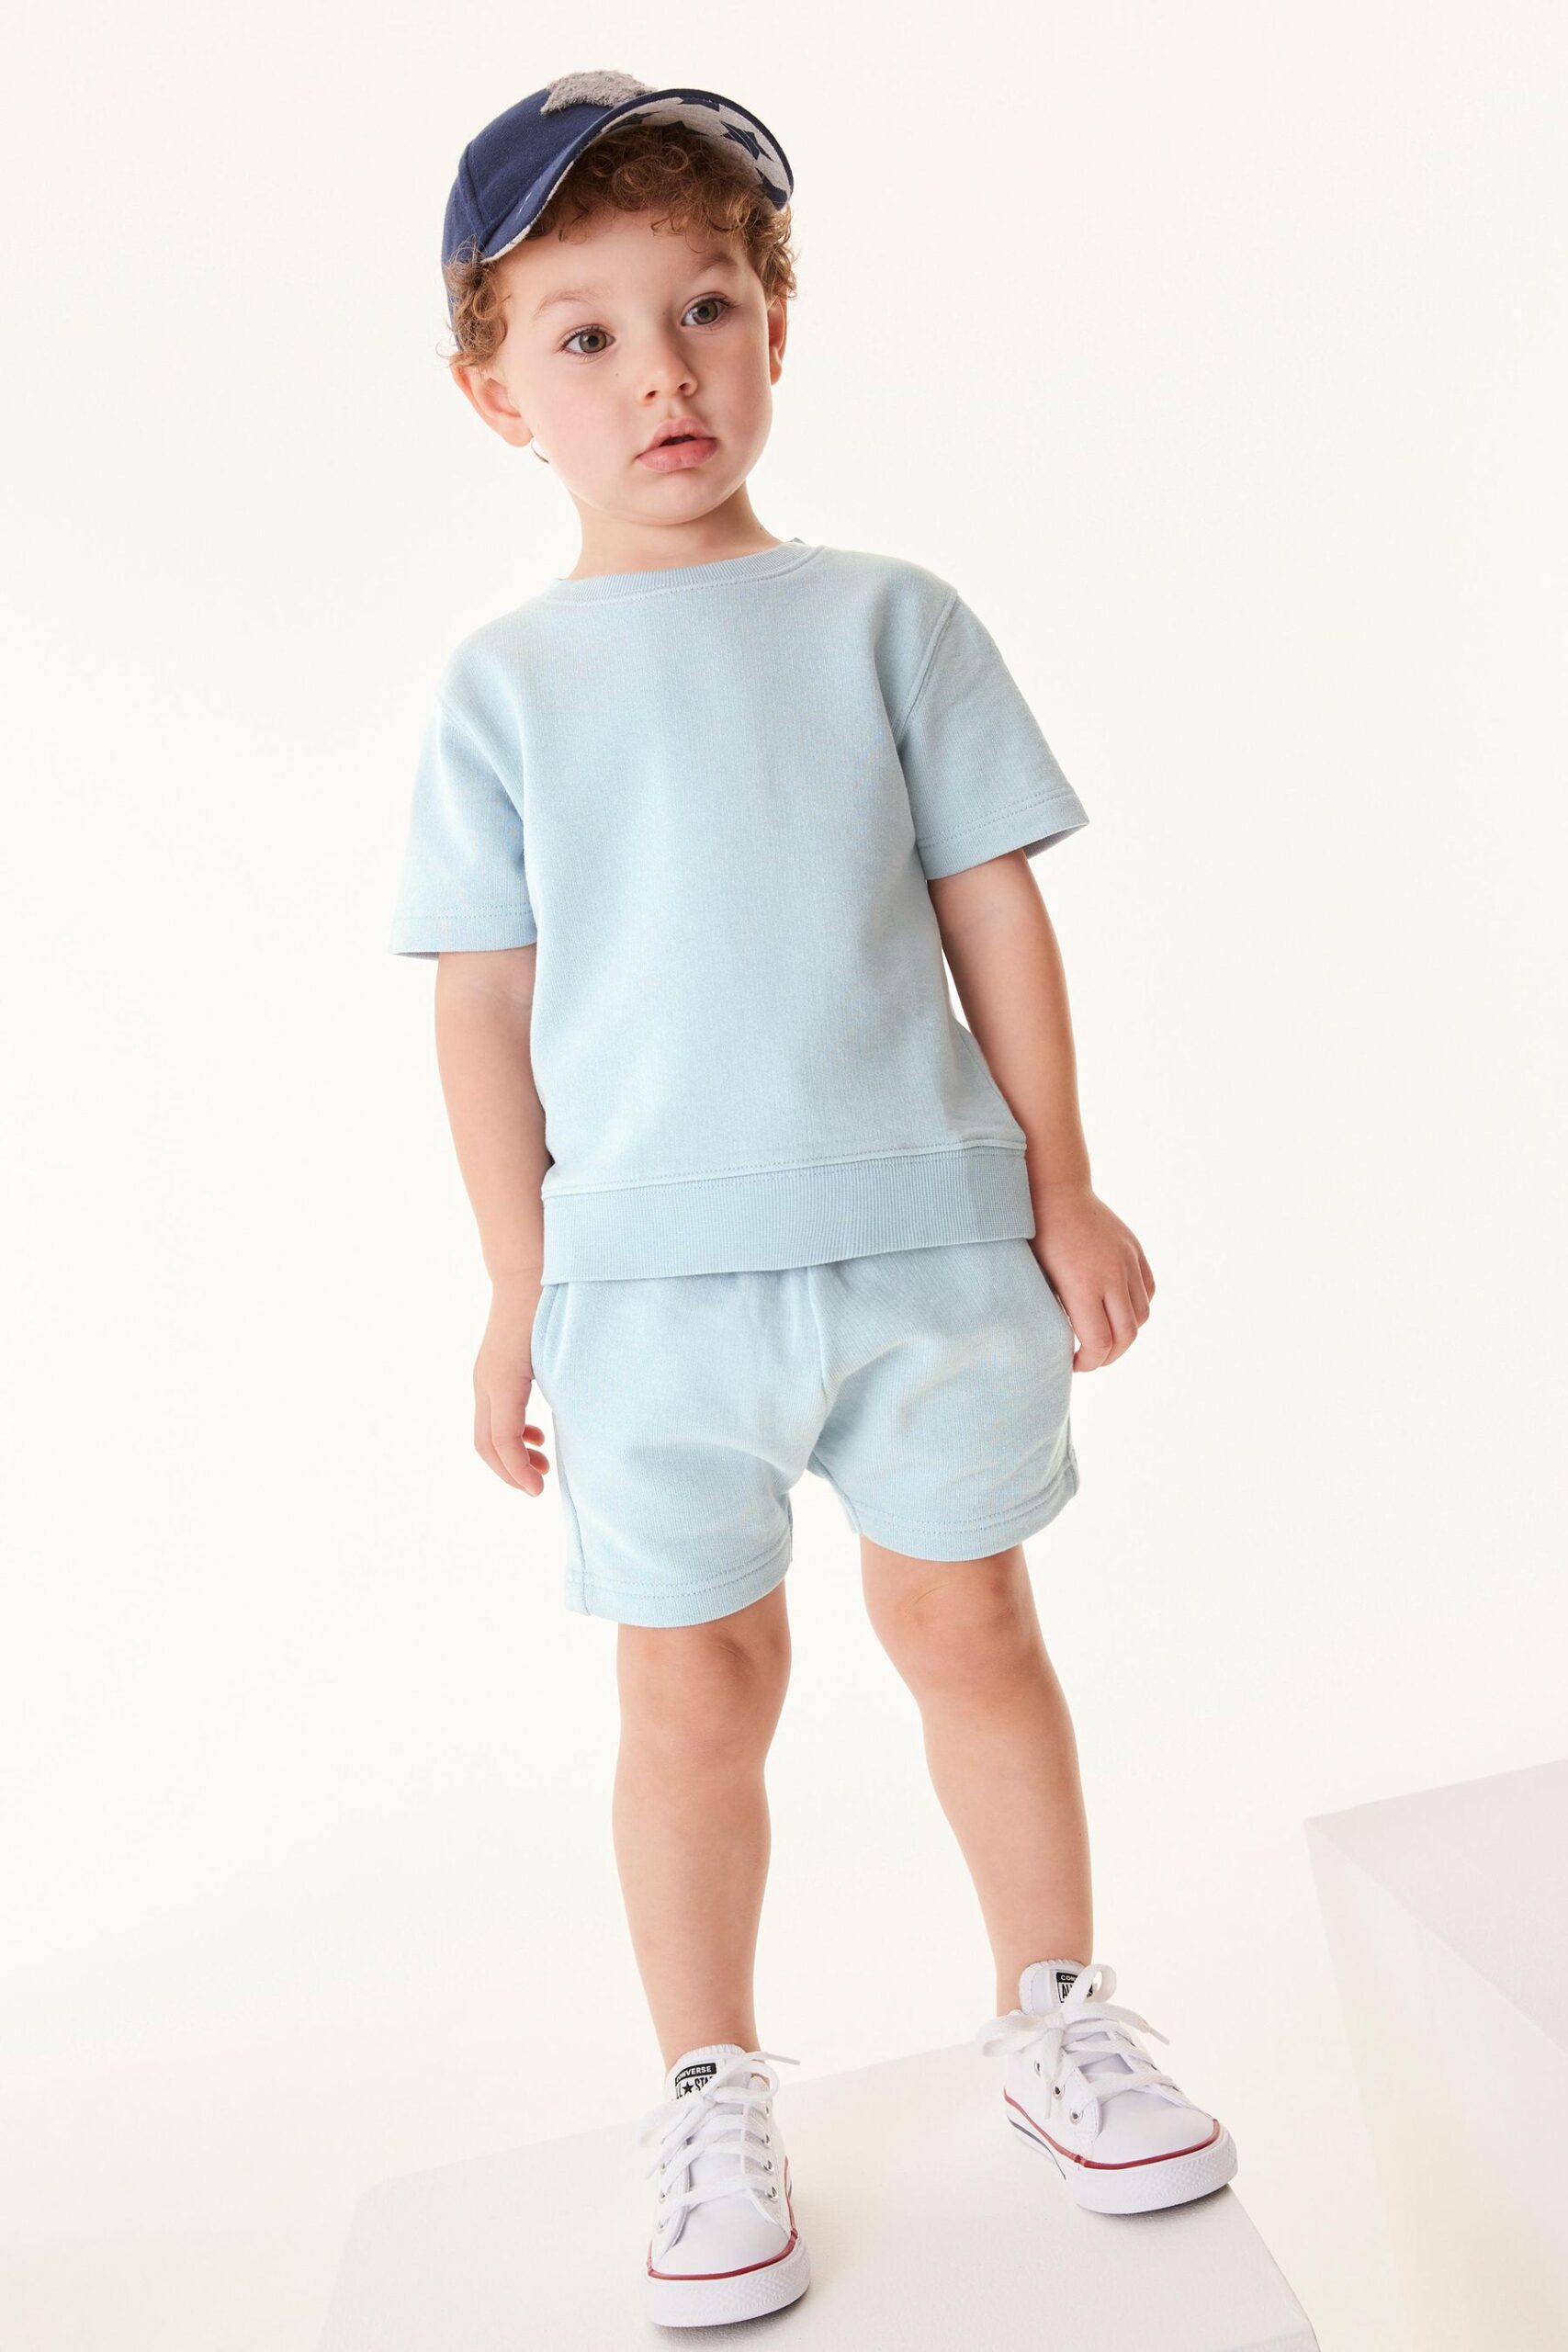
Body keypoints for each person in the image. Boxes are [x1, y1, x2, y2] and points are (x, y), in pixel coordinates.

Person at [389, 70, 1236, 2331]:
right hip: (650, 1298)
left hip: (928, 1249)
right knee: (692, 1690)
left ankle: (1053, 2004)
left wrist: (1062, 1184)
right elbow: (486, 1004)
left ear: (775, 328)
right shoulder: (503, 687)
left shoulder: (890, 618)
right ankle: (706, 2082)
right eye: (583, 334)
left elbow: (990, 910)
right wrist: (512, 1286)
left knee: (972, 1629)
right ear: (496, 393)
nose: (659, 371)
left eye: (705, 307)